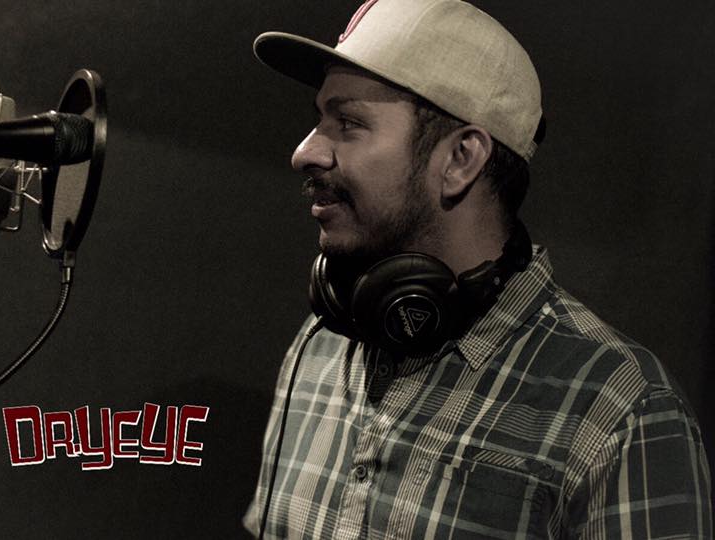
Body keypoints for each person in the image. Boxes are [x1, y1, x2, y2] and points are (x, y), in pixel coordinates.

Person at [244, 0, 712, 538]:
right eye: (319, 119)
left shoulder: (622, 411)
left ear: (461, 159)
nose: (305, 152)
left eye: (348, 123)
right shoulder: (320, 347)